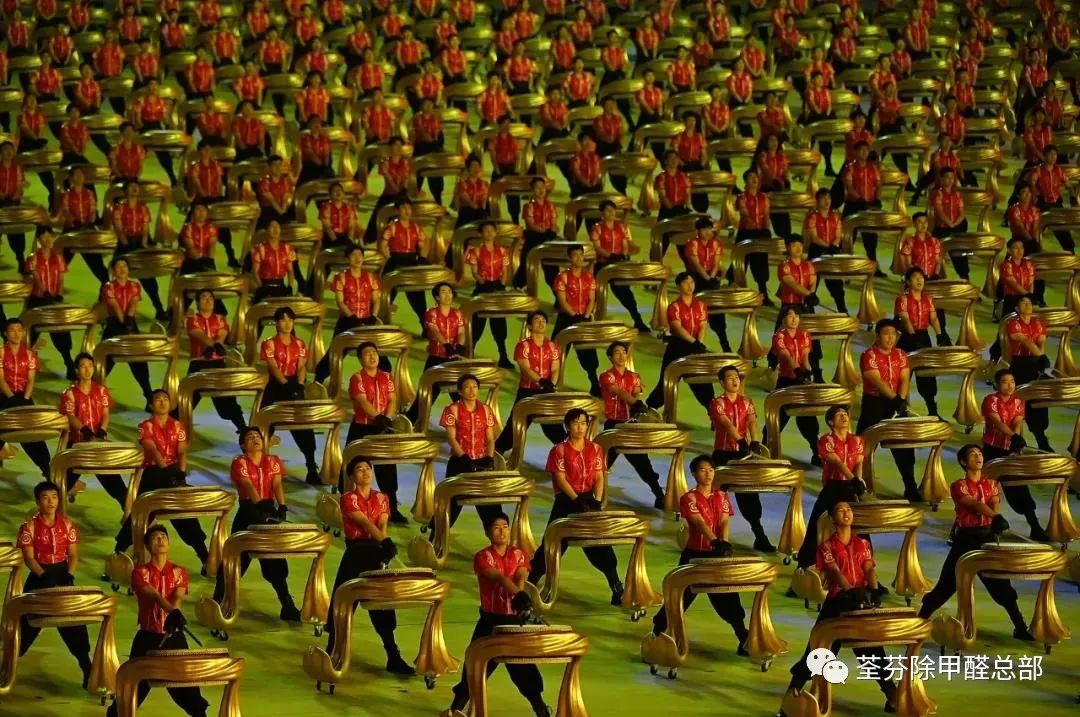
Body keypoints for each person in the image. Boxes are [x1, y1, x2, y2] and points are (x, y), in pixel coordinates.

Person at [782, 501, 897, 715]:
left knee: (871, 649)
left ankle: (893, 697)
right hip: (837, 603)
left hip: (859, 603)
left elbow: (869, 569)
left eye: (849, 509)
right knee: (817, 653)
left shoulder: (863, 543)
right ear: (833, 519)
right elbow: (834, 572)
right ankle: (789, 699)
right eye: (841, 510)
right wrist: (851, 591)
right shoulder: (826, 546)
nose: (846, 512)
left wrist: (873, 590)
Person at [916, 445, 1036, 641]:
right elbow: (974, 503)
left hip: (986, 538)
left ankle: (1020, 627)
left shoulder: (992, 484)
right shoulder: (959, 485)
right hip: (965, 540)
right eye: (973, 455)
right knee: (948, 584)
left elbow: (993, 503)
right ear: (964, 462)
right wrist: (995, 517)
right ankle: (919, 621)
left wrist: (995, 521)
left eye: (980, 454)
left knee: (1001, 586)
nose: (978, 457)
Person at [445, 513, 550, 717]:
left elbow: (520, 575)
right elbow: (499, 578)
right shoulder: (483, 557)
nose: (502, 531)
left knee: (524, 671)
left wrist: (519, 601)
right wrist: (518, 595)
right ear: (487, 532)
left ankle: (541, 710)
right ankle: (454, 710)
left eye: (505, 526)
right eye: (496, 527)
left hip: (512, 623)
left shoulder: (519, 554)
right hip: (490, 622)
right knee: (474, 669)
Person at [105, 525, 209, 717]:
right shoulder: (139, 572)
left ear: (169, 543)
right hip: (147, 639)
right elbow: (153, 595)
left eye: (164, 537)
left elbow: (177, 596)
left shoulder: (180, 572)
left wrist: (174, 613)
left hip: (173, 638)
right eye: (155, 538)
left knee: (190, 694)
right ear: (147, 546)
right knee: (131, 693)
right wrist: (173, 612)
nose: (161, 540)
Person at [324, 456, 415, 674]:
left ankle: (393, 656)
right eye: (359, 469)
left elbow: (381, 524)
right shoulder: (348, 498)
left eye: (368, 468)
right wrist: (385, 542)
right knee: (343, 602)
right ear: (352, 476)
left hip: (375, 551)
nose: (365, 472)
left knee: (381, 605)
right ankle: (331, 651)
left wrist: (384, 548)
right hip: (356, 553)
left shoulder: (382, 498)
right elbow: (364, 522)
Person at [649, 456, 749, 652]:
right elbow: (698, 522)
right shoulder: (688, 498)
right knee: (680, 597)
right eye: (703, 470)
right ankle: (656, 635)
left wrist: (723, 543)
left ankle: (743, 638)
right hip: (694, 555)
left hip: (717, 554)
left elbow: (724, 520)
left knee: (727, 597)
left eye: (711, 469)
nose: (708, 474)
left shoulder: (722, 495)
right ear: (694, 474)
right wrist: (714, 541)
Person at [528, 408, 624, 605]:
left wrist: (597, 500)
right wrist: (575, 500)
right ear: (567, 426)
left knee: (599, 544)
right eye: (575, 423)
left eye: (583, 423)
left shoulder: (595, 449)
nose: (580, 427)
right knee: (551, 545)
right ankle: (528, 587)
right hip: (566, 502)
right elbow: (560, 479)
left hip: (589, 501)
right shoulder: (559, 450)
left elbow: (599, 476)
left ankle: (616, 588)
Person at [212, 427, 302, 622]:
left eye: (258, 436)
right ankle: (218, 599)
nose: (255, 439)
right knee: (235, 558)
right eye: (250, 437)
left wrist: (282, 506)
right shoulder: (240, 462)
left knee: (274, 560)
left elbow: (277, 484)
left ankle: (287, 604)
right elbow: (247, 484)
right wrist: (259, 504)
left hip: (268, 510)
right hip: (248, 512)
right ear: (243, 445)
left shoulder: (273, 461)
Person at [114, 390, 210, 566]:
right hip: (153, 473)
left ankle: (204, 555)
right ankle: (119, 551)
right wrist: (167, 471)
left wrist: (181, 472)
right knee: (141, 514)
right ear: (151, 405)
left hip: (173, 473)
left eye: (166, 399)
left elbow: (181, 452)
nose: (163, 402)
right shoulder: (145, 426)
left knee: (182, 512)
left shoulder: (178, 426)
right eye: (158, 399)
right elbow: (152, 450)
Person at [17, 481, 93, 688]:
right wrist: (43, 575)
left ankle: (87, 668)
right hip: (39, 576)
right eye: (45, 497)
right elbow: (29, 558)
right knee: (26, 624)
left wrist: (69, 575)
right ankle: (8, 666)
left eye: (54, 497)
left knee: (73, 622)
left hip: (62, 575)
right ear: (37, 501)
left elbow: (73, 555)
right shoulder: (28, 527)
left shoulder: (67, 525)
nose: (50, 502)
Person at [980, 368, 1050, 540]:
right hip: (991, 450)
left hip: (1010, 449)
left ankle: (1035, 527)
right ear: (997, 384)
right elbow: (997, 423)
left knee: (1020, 488)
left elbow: (1017, 422)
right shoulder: (990, 400)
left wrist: (1015, 441)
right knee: (986, 491)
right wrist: (1013, 436)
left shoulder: (1019, 401)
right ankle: (980, 528)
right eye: (1005, 382)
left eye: (1012, 381)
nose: (1010, 385)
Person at [709, 366, 773, 552]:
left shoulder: (747, 401)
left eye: (736, 377)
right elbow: (726, 424)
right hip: (722, 455)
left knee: (749, 496)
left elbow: (752, 422)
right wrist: (740, 440)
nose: (734, 380)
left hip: (742, 454)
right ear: (722, 382)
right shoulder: (717, 403)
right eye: (729, 377)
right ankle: (713, 538)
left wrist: (755, 442)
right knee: (716, 497)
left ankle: (760, 537)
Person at [342, 342, 407, 525]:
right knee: (353, 467)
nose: (372, 356)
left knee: (388, 468)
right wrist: (377, 417)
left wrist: (387, 418)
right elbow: (362, 401)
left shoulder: (387, 377)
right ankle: (351, 507)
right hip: (362, 428)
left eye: (374, 352)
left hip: (383, 426)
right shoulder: (357, 378)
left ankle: (392, 509)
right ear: (360, 359)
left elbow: (392, 399)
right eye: (367, 353)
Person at [794, 406, 864, 570]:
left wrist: (858, 482)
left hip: (850, 487)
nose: (844, 417)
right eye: (839, 415)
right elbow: (836, 462)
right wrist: (854, 479)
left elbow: (859, 463)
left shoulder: (858, 441)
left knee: (861, 526)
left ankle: (865, 568)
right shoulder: (826, 440)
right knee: (815, 522)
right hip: (833, 486)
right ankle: (804, 565)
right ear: (831, 422)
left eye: (845, 414)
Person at [857, 319, 918, 502]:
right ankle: (857, 486)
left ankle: (910, 486)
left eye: (894, 334)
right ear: (877, 335)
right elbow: (876, 381)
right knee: (862, 447)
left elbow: (905, 378)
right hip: (874, 403)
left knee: (904, 447)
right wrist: (895, 399)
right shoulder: (868, 355)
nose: (890, 338)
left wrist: (901, 400)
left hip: (897, 402)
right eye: (886, 333)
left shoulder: (901, 354)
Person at [599, 341, 665, 509]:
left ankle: (659, 495)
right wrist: (636, 403)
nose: (621, 355)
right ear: (610, 357)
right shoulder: (607, 376)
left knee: (642, 463)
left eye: (624, 352)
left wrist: (637, 401)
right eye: (617, 352)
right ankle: (590, 495)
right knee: (602, 463)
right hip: (613, 425)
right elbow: (620, 392)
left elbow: (635, 392)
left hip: (631, 425)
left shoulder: (634, 376)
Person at [434, 373, 500, 536]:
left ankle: (496, 538)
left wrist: (489, 458)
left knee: (490, 505)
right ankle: (435, 536)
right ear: (460, 391)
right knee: (452, 505)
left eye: (475, 387)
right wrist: (464, 458)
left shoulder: (486, 409)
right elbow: (451, 438)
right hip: (459, 462)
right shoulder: (452, 410)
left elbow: (490, 438)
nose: (472, 390)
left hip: (481, 462)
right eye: (467, 387)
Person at [261, 306, 321, 485]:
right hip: (276, 386)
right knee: (264, 426)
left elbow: (301, 366)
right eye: (283, 320)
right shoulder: (269, 344)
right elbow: (273, 367)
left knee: (303, 428)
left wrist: (300, 385)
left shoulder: (300, 344)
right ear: (276, 323)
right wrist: (285, 385)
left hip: (294, 384)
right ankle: (260, 468)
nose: (287, 323)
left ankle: (311, 468)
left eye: (290, 320)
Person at [59, 352, 127, 508]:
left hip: (97, 445)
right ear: (77, 370)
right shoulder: (70, 393)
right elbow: (70, 416)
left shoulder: (101, 390)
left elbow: (105, 414)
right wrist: (86, 431)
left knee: (115, 483)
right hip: (77, 446)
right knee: (62, 484)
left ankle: (130, 512)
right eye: (83, 366)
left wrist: (102, 431)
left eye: (90, 366)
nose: (87, 369)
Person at [494, 310, 565, 453]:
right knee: (513, 429)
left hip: (546, 392)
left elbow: (555, 369)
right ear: (529, 326)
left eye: (543, 321)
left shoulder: (553, 346)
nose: (541, 323)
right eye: (537, 320)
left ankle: (571, 454)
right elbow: (526, 369)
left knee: (554, 428)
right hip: (526, 392)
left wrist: (550, 384)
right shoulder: (523, 346)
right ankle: (494, 454)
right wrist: (541, 381)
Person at [646, 272, 715, 410]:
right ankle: (649, 408)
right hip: (677, 346)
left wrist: (699, 343)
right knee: (667, 381)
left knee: (702, 380)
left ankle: (712, 410)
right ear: (678, 286)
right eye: (685, 283)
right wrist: (693, 342)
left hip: (695, 346)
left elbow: (702, 326)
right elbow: (677, 328)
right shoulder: (674, 307)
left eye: (692, 282)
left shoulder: (701, 305)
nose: (690, 286)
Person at [313, 244, 382, 383]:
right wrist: (351, 317)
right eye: (353, 255)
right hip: (347, 321)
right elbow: (340, 302)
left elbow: (376, 300)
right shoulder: (341, 278)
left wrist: (373, 316)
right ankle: (318, 380)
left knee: (378, 353)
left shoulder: (371, 277)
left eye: (360, 255)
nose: (357, 258)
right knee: (335, 351)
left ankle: (382, 383)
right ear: (347, 258)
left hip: (367, 321)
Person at [184, 289, 248, 434]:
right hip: (198, 365)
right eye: (203, 297)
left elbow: (222, 334)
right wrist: (214, 345)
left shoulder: (220, 319)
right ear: (197, 303)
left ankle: (244, 430)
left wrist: (217, 344)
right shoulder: (192, 319)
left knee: (227, 401)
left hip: (217, 364)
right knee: (187, 400)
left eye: (210, 298)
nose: (207, 300)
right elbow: (198, 334)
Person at [766, 307, 820, 458]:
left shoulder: (805, 334)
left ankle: (816, 453)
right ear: (783, 319)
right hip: (786, 381)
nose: (794, 318)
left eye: (797, 315)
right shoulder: (778, 336)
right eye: (790, 315)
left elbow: (805, 357)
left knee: (807, 419)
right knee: (777, 418)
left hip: (801, 381)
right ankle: (766, 450)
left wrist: (807, 373)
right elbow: (786, 356)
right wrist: (797, 371)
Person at [589, 200, 650, 333]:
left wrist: (623, 255)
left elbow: (624, 244)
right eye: (607, 210)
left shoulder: (620, 227)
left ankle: (637, 319)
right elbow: (597, 247)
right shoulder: (597, 228)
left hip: (617, 264)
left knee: (626, 294)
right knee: (595, 294)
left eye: (612, 210)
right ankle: (589, 320)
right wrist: (610, 255)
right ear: (602, 213)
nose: (611, 213)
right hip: (602, 264)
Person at [0, 318, 51, 477]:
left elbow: (31, 380)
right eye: (12, 330)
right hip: (3, 396)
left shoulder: (29, 355)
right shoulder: (0, 353)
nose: (16, 334)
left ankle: (47, 469)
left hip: (24, 397)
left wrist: (25, 399)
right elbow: (1, 380)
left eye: (19, 330)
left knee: (32, 434)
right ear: (5, 334)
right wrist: (12, 399)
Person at [895, 267, 947, 417]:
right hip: (907, 339)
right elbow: (905, 319)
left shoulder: (928, 299)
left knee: (927, 375)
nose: (919, 280)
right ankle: (900, 410)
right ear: (907, 281)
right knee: (904, 376)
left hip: (924, 338)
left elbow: (933, 318)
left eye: (921, 277)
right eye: (915, 277)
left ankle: (933, 411)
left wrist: (940, 334)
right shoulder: (902, 299)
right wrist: (912, 335)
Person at [1004, 295, 1052, 451]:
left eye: (1030, 303)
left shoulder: (1038, 323)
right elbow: (1024, 340)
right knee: (1019, 401)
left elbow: (1041, 341)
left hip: (1035, 363)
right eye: (1024, 303)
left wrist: (1040, 359)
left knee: (1039, 399)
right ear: (1017, 308)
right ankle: (1013, 439)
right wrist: (1040, 356)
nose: (1028, 305)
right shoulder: (1013, 323)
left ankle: (1041, 439)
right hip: (1019, 364)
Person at [466, 222, 514, 368]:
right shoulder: (475, 251)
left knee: (499, 323)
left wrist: (502, 285)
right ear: (480, 234)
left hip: (498, 289)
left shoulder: (503, 251)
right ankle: (469, 354)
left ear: (495, 233)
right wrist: (483, 282)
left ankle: (503, 356)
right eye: (486, 230)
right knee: (477, 324)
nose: (489, 233)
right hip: (482, 288)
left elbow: (505, 270)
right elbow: (474, 272)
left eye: (492, 230)